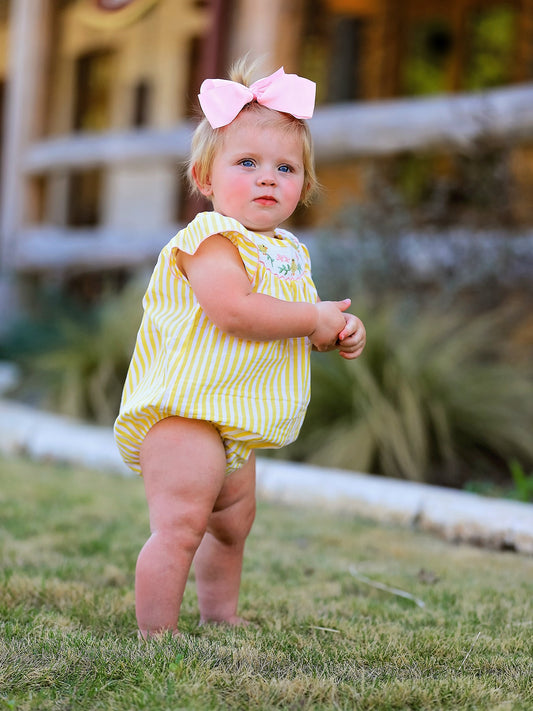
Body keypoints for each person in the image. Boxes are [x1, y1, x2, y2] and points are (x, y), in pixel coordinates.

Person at [114, 60, 366, 639]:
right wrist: (311, 316)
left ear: (304, 186)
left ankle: (220, 614)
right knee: (181, 525)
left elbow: (293, 323)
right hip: (187, 412)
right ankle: (156, 634)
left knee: (232, 525)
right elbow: (236, 310)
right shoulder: (210, 240)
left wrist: (334, 329)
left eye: (285, 167)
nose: (267, 178)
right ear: (205, 178)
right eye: (247, 163)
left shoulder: (288, 252)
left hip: (238, 418)